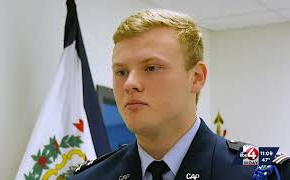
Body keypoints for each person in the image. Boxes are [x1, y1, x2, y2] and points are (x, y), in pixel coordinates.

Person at [68, 9, 289, 180]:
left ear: (196, 77)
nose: (130, 83)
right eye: (121, 72)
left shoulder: (260, 173)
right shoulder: (91, 176)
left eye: (151, 68)